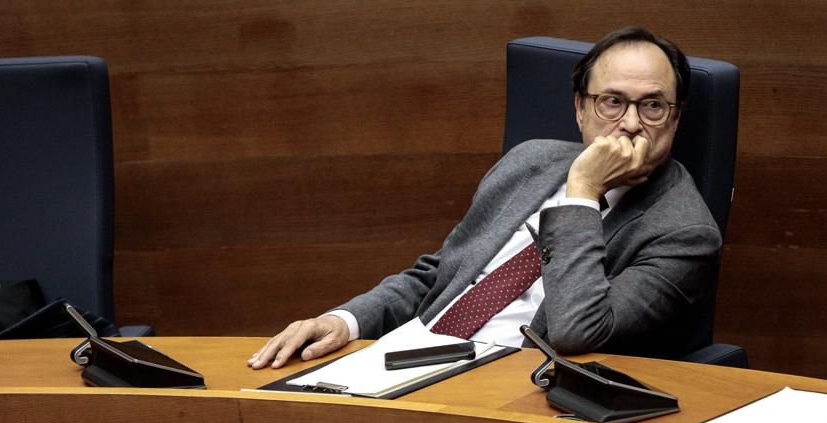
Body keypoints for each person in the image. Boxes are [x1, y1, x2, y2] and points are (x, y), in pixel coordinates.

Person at [249, 26, 721, 369]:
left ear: (676, 119)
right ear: (579, 109)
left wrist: (582, 192)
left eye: (653, 106)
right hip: (408, 351)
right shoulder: (529, 161)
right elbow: (439, 273)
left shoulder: (685, 232)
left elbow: (578, 332)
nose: (631, 123)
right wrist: (346, 321)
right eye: (612, 101)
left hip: (514, 381)